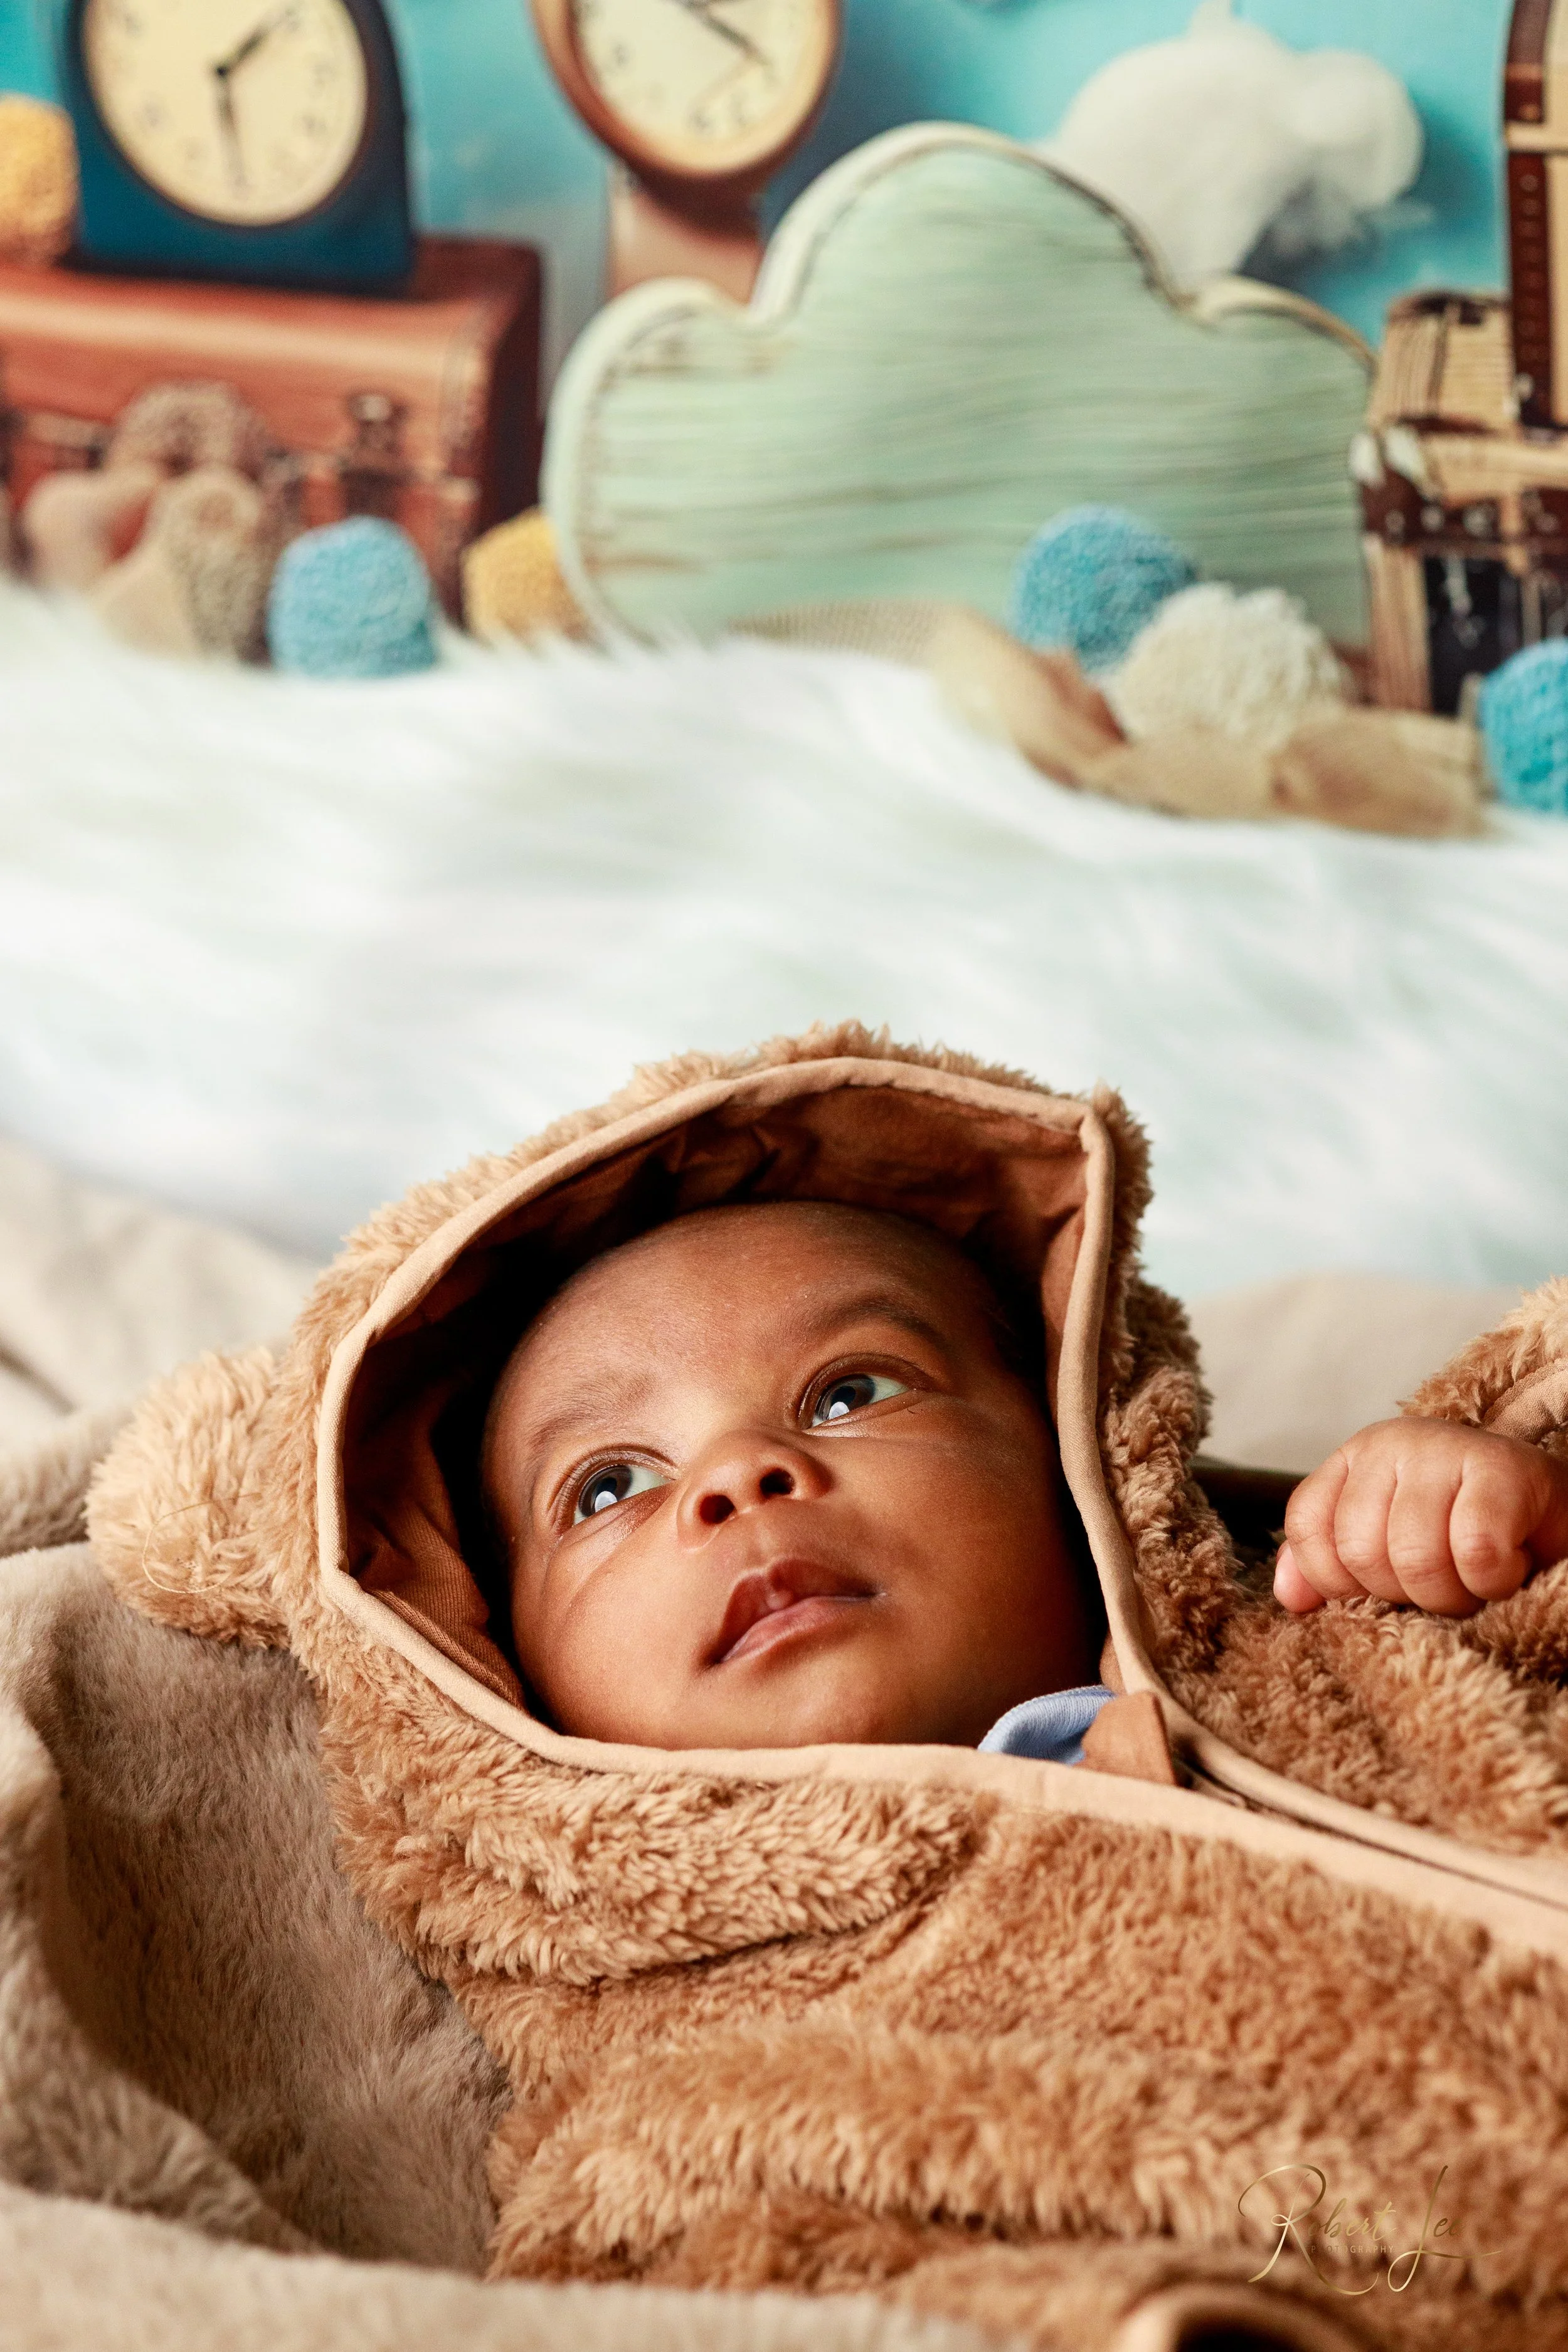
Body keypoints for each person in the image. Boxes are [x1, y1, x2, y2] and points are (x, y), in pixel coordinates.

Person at [481, 1196, 1568, 1758]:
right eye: (609, 1486)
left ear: (1075, 1445)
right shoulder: (593, 1971)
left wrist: (1503, 1530)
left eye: (850, 1392)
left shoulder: (1331, 1625)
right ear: (498, 1653)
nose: (737, 1477)